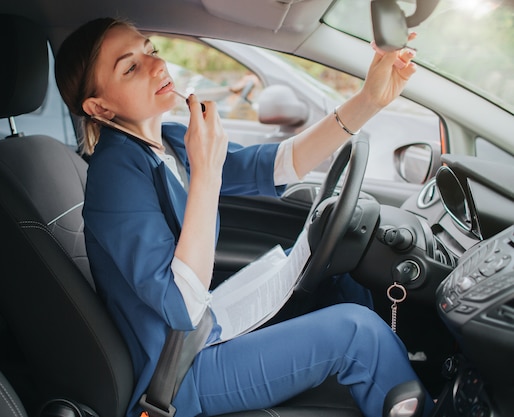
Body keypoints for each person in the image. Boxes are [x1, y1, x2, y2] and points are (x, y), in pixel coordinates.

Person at [54, 17, 430, 417]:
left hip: (203, 333)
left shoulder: (165, 143)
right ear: (99, 106)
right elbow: (180, 305)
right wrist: (207, 172)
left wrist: (369, 100)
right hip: (180, 374)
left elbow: (280, 166)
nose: (156, 66)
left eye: (150, 51)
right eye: (130, 67)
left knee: (338, 277)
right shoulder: (115, 173)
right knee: (360, 334)